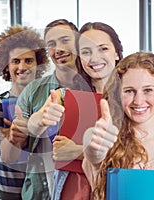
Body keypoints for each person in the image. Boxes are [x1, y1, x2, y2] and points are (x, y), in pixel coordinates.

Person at [82, 51, 154, 200]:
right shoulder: (107, 144)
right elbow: (93, 153)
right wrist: (93, 145)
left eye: (148, 90)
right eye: (129, 91)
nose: (138, 101)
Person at [27, 22, 123, 199]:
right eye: (86, 52)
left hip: (116, 188)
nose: (94, 58)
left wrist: (79, 152)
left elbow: (138, 154)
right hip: (72, 190)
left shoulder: (131, 99)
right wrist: (40, 119)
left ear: (117, 53)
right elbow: (32, 128)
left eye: (103, 49)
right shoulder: (66, 95)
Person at [11, 19, 91, 199]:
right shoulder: (33, 90)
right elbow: (17, 149)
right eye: (51, 44)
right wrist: (18, 136)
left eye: (65, 40)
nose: (59, 49)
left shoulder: (95, 89)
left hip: (81, 191)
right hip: (39, 192)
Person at [0, 25, 49, 199]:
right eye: (16, 61)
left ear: (38, 65)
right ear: (6, 66)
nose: (22, 66)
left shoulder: (46, 103)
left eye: (28, 60)